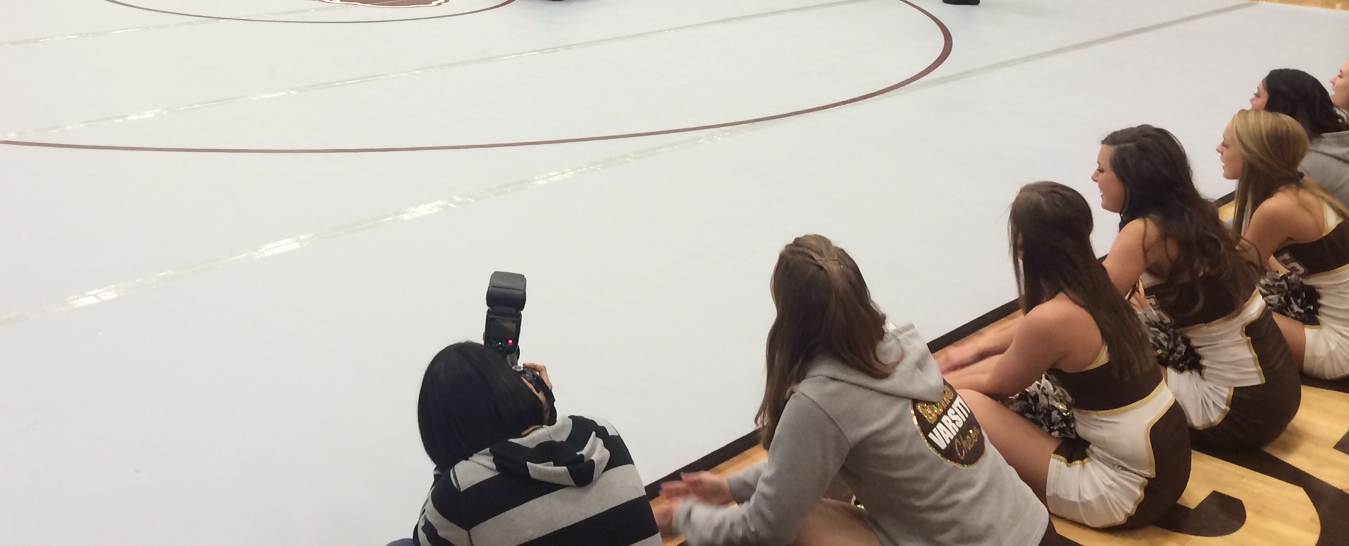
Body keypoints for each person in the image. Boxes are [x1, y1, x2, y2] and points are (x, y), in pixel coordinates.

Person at [661, 235, 1052, 546]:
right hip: (1032, 527)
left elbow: (766, 526)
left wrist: (683, 517)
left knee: (794, 522)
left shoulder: (823, 399)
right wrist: (729, 486)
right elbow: (820, 467)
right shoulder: (898, 346)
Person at [942, 182, 1192, 530]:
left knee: (961, 402)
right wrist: (974, 350)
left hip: (1124, 491)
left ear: (1021, 244)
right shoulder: (1101, 282)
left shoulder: (1053, 319)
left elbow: (998, 381)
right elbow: (1016, 355)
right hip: (1169, 463)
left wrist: (933, 379)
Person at [1093, 126, 1299, 449]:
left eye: (1102, 170)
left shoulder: (1144, 233)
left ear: (1132, 180)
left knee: (1096, 365)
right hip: (1276, 390)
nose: (1094, 177)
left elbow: (1081, 311)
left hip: (1238, 408)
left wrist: (997, 345)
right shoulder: (1195, 213)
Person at [410, 343, 655, 546]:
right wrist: (540, 412)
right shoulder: (603, 434)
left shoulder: (460, 490)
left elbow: (422, 537)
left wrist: (449, 462)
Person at [1221, 110, 1349, 380]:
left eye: (1226, 143)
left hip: (1337, 344)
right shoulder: (1299, 189)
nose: (1218, 148)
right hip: (1329, 318)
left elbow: (1232, 280)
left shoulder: (1278, 209)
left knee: (1222, 322)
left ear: (1251, 154)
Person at [1253, 67, 1349, 209]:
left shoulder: (1301, 165)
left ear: (1278, 108)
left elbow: (1261, 220)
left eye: (1257, 95)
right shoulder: (1327, 148)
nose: (1251, 102)